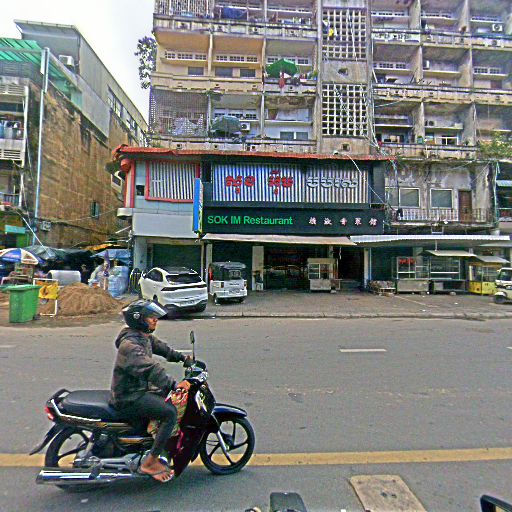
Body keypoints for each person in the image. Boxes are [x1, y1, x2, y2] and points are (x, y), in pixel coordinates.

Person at [109, 299, 192, 482]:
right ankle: (150, 461)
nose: (155, 320)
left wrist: (182, 358)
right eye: (150, 317)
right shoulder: (130, 346)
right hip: (129, 396)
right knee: (169, 413)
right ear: (139, 319)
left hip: (138, 389)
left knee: (166, 399)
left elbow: (161, 348)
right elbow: (151, 369)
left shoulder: (141, 337)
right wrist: (174, 385)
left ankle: (153, 443)